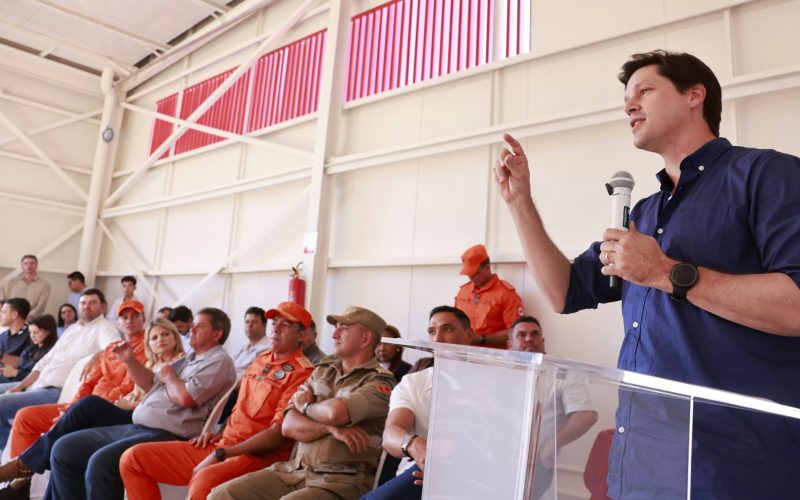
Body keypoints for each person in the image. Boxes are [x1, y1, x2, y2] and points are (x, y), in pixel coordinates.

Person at [494, 50, 800, 498]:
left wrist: (663, 272)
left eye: (644, 91)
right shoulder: (643, 212)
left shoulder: (765, 174)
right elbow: (565, 291)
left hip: (735, 468)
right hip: (640, 464)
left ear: (695, 95)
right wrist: (519, 201)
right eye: (625, 98)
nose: (628, 105)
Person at [119, 301, 316, 500]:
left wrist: (224, 453)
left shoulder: (303, 372)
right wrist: (217, 434)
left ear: (301, 335)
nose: (276, 329)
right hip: (224, 444)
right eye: (274, 322)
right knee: (133, 459)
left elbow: (278, 434)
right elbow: (240, 409)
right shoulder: (261, 359)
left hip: (257, 456)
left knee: (205, 480)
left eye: (286, 325)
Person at [46, 307, 236, 500]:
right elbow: (150, 384)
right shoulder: (191, 359)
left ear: (217, 334)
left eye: (199, 326)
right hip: (139, 426)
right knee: (64, 449)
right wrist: (129, 360)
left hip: (168, 435)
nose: (192, 329)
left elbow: (186, 398)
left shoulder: (219, 360)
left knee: (101, 463)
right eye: (193, 324)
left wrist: (169, 376)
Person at [208, 306, 395, 500]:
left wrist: (306, 407)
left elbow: (336, 413)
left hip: (341, 481)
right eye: (336, 327)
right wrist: (331, 429)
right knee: (222, 494)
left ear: (365, 339)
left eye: (344, 328)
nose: (334, 334)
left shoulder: (381, 382)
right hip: (295, 470)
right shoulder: (322, 371)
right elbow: (288, 426)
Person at [0, 315, 185, 497]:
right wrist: (73, 406)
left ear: (175, 337)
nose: (160, 339)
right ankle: (23, 472)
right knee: (65, 438)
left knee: (88, 407)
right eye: (154, 337)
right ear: (149, 344)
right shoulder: (147, 362)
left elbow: (161, 402)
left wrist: (124, 402)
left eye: (165, 334)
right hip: (123, 408)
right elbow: (90, 382)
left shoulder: (182, 363)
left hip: (140, 416)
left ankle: (22, 469)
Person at [364, 306, 475, 500]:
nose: (438, 338)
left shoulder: (492, 383)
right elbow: (391, 434)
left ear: (469, 334)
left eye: (447, 329)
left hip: (475, 479)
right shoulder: (413, 383)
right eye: (432, 331)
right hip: (419, 477)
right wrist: (414, 445)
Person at [0, 289, 118, 448]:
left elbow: (114, 348)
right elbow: (46, 359)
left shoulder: (104, 327)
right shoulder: (72, 328)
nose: (86, 306)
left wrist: (96, 356)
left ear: (103, 306)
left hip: (58, 390)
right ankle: (21, 446)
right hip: (39, 382)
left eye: (92, 303)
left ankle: (25, 451)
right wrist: (20, 386)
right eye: (83, 303)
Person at [507, 316, 597, 499]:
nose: (528, 339)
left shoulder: (562, 371)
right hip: (498, 464)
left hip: (538, 469)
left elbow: (586, 415)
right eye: (521, 335)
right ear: (509, 345)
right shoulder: (499, 374)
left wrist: (550, 446)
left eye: (534, 334)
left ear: (542, 341)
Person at [454, 244, 524, 348]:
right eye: (468, 273)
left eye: (475, 273)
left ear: (487, 267)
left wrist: (482, 339)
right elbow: (453, 321)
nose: (471, 277)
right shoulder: (463, 291)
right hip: (463, 354)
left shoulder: (507, 294)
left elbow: (517, 332)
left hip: (492, 358)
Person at [0, 314, 58, 384]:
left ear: (48, 332)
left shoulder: (52, 352)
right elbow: (21, 367)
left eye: (36, 332)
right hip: (16, 380)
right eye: (30, 332)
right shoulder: (32, 348)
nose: (32, 336)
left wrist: (16, 373)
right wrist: (8, 372)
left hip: (26, 385)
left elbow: (41, 377)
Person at [231, 306, 270, 377]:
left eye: (254, 322)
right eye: (247, 322)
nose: (249, 325)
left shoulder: (268, 350)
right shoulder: (242, 348)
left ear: (264, 325)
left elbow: (252, 377)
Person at [0, 299, 33, 376]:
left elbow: (27, 362)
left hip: (16, 380)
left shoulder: (31, 334)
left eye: (3, 312)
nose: (0, 315)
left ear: (14, 314)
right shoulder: (3, 335)